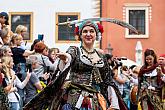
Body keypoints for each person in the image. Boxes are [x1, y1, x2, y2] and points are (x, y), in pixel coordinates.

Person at [49, 20, 127, 110]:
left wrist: (114, 104)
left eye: (91, 31)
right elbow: (68, 58)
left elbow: (107, 81)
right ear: (80, 35)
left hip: (95, 101)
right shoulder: (75, 50)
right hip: (75, 99)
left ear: (96, 34)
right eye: (85, 31)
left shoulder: (101, 56)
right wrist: (65, 58)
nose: (88, 34)